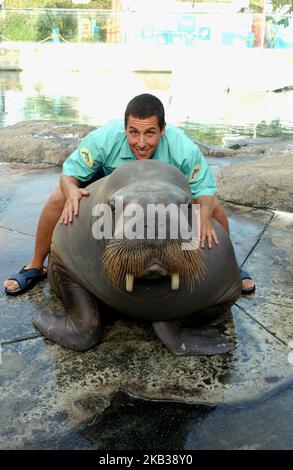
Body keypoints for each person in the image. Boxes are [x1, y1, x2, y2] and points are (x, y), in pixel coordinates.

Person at [4, 93, 255, 295]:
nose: (141, 142)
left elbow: (205, 190)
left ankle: (232, 267)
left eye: (150, 133)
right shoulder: (105, 138)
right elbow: (69, 174)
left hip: (162, 192)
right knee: (58, 199)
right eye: (134, 132)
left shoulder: (183, 148)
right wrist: (71, 192)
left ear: (163, 130)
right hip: (111, 183)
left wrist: (205, 213)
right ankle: (36, 265)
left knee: (217, 209)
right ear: (125, 128)